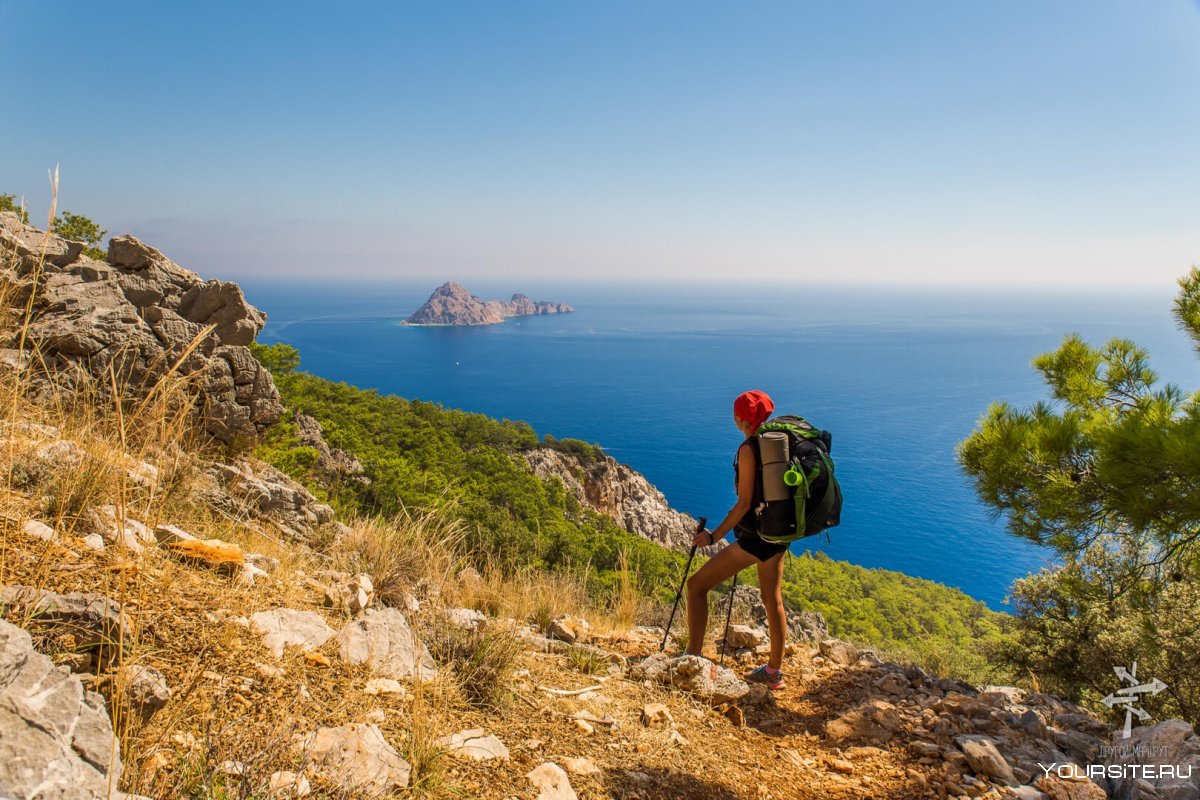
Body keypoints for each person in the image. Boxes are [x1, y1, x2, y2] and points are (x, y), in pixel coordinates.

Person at [685, 389, 789, 690]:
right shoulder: (777, 442)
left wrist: (714, 536)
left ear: (740, 418)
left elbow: (744, 504)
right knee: (773, 600)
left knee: (696, 586)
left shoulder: (748, 449)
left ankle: (692, 657)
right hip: (779, 533)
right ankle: (773, 672)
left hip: (755, 539)